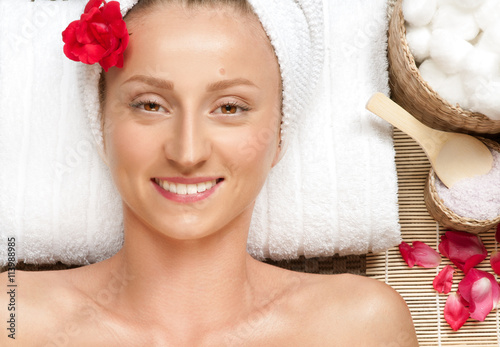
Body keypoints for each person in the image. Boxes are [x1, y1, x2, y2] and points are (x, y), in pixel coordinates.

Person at [1, 0, 418, 345]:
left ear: (279, 135)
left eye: (230, 108)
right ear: (101, 127)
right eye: (150, 105)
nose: (187, 152)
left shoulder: (357, 326)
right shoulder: (14, 317)